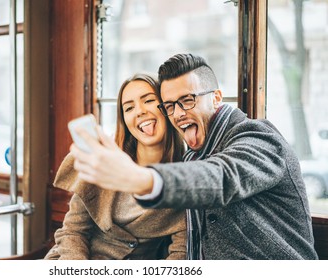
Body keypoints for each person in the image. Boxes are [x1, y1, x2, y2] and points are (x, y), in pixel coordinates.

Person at [70, 54, 319, 260]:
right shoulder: (191, 157)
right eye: (169, 105)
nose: (178, 113)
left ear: (217, 98)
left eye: (187, 100)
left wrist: (139, 178)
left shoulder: (258, 136)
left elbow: (223, 176)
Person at [44, 73, 187, 260]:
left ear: (167, 108)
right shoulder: (105, 161)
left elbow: (181, 254)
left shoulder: (185, 180)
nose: (140, 111)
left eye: (149, 100)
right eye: (129, 108)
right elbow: (73, 231)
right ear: (125, 121)